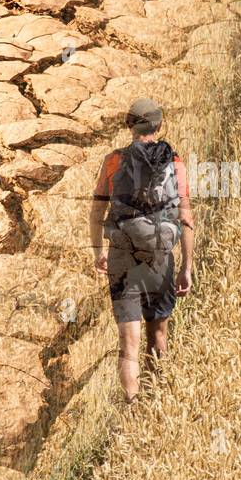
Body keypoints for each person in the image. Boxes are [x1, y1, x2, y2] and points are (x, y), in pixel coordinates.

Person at [89, 97, 195, 401]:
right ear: (159, 126)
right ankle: (156, 401)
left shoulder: (113, 161)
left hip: (122, 254)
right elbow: (185, 217)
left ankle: (133, 406)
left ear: (129, 126)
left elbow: (97, 213)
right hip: (160, 256)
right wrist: (186, 266)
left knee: (128, 342)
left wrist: (99, 251)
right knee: (158, 334)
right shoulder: (174, 162)